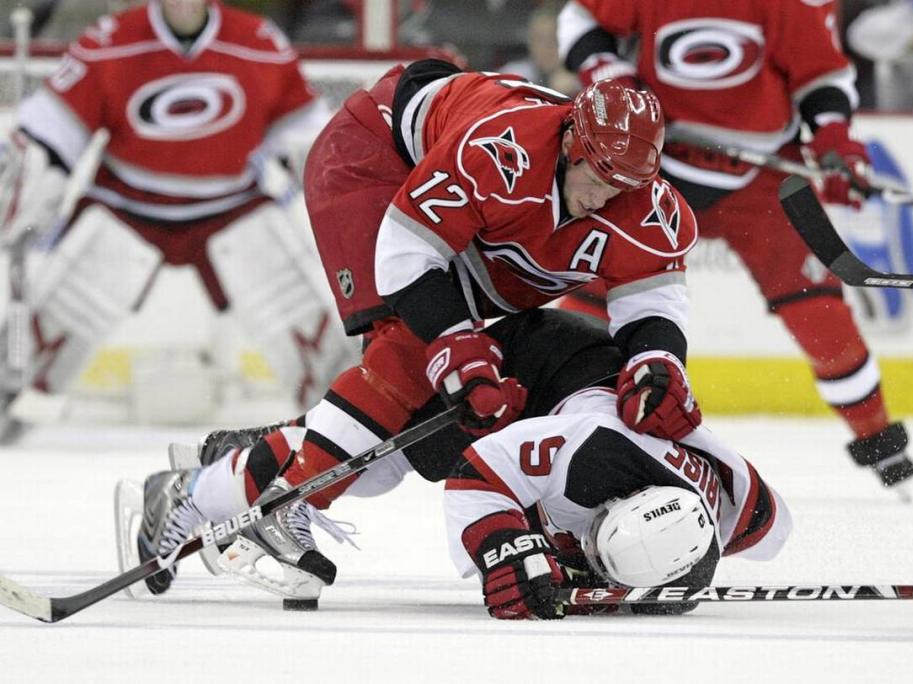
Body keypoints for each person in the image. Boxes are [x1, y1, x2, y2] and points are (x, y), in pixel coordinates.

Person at [133, 60, 706, 601]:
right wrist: (456, 340)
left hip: (470, 217)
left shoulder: (648, 206)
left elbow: (653, 305)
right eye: (598, 177)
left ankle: (213, 483)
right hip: (372, 156)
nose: (605, 197)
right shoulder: (499, 148)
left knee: (406, 417)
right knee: (408, 348)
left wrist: (657, 366)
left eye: (624, 186)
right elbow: (408, 254)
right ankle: (292, 495)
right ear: (569, 146)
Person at [555, 0, 913, 490]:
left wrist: (834, 136)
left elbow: (820, 74)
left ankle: (877, 439)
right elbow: (578, 16)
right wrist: (611, 71)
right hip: (656, 165)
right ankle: (558, 417)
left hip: (763, 177)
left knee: (819, 314)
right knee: (593, 296)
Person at [0, 0, 356, 439]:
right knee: (56, 318)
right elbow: (52, 132)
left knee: (301, 320)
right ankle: (6, 395)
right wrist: (29, 176)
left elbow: (304, 135)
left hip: (229, 200)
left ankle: (346, 421)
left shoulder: (257, 42)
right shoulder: (112, 41)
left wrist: (334, 182)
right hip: (127, 201)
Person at [443, 382, 791, 620]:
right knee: (414, 448)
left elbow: (779, 531)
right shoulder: (594, 453)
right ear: (618, 498)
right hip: (546, 368)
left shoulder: (749, 517)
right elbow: (478, 471)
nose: (584, 552)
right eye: (593, 538)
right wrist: (500, 547)